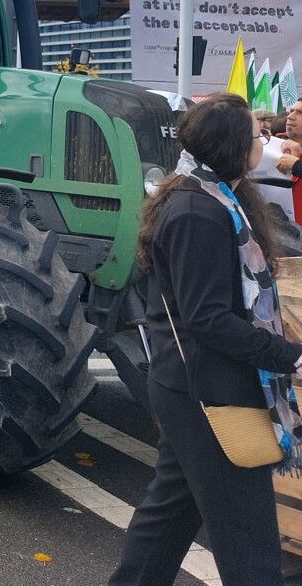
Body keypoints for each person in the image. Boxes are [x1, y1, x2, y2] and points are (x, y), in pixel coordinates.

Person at [109, 92, 302, 586]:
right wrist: (290, 357)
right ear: (236, 147)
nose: (266, 139)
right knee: (250, 542)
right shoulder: (200, 211)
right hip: (208, 393)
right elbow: (208, 319)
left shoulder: (211, 195)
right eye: (257, 134)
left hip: (190, 386)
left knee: (168, 519)